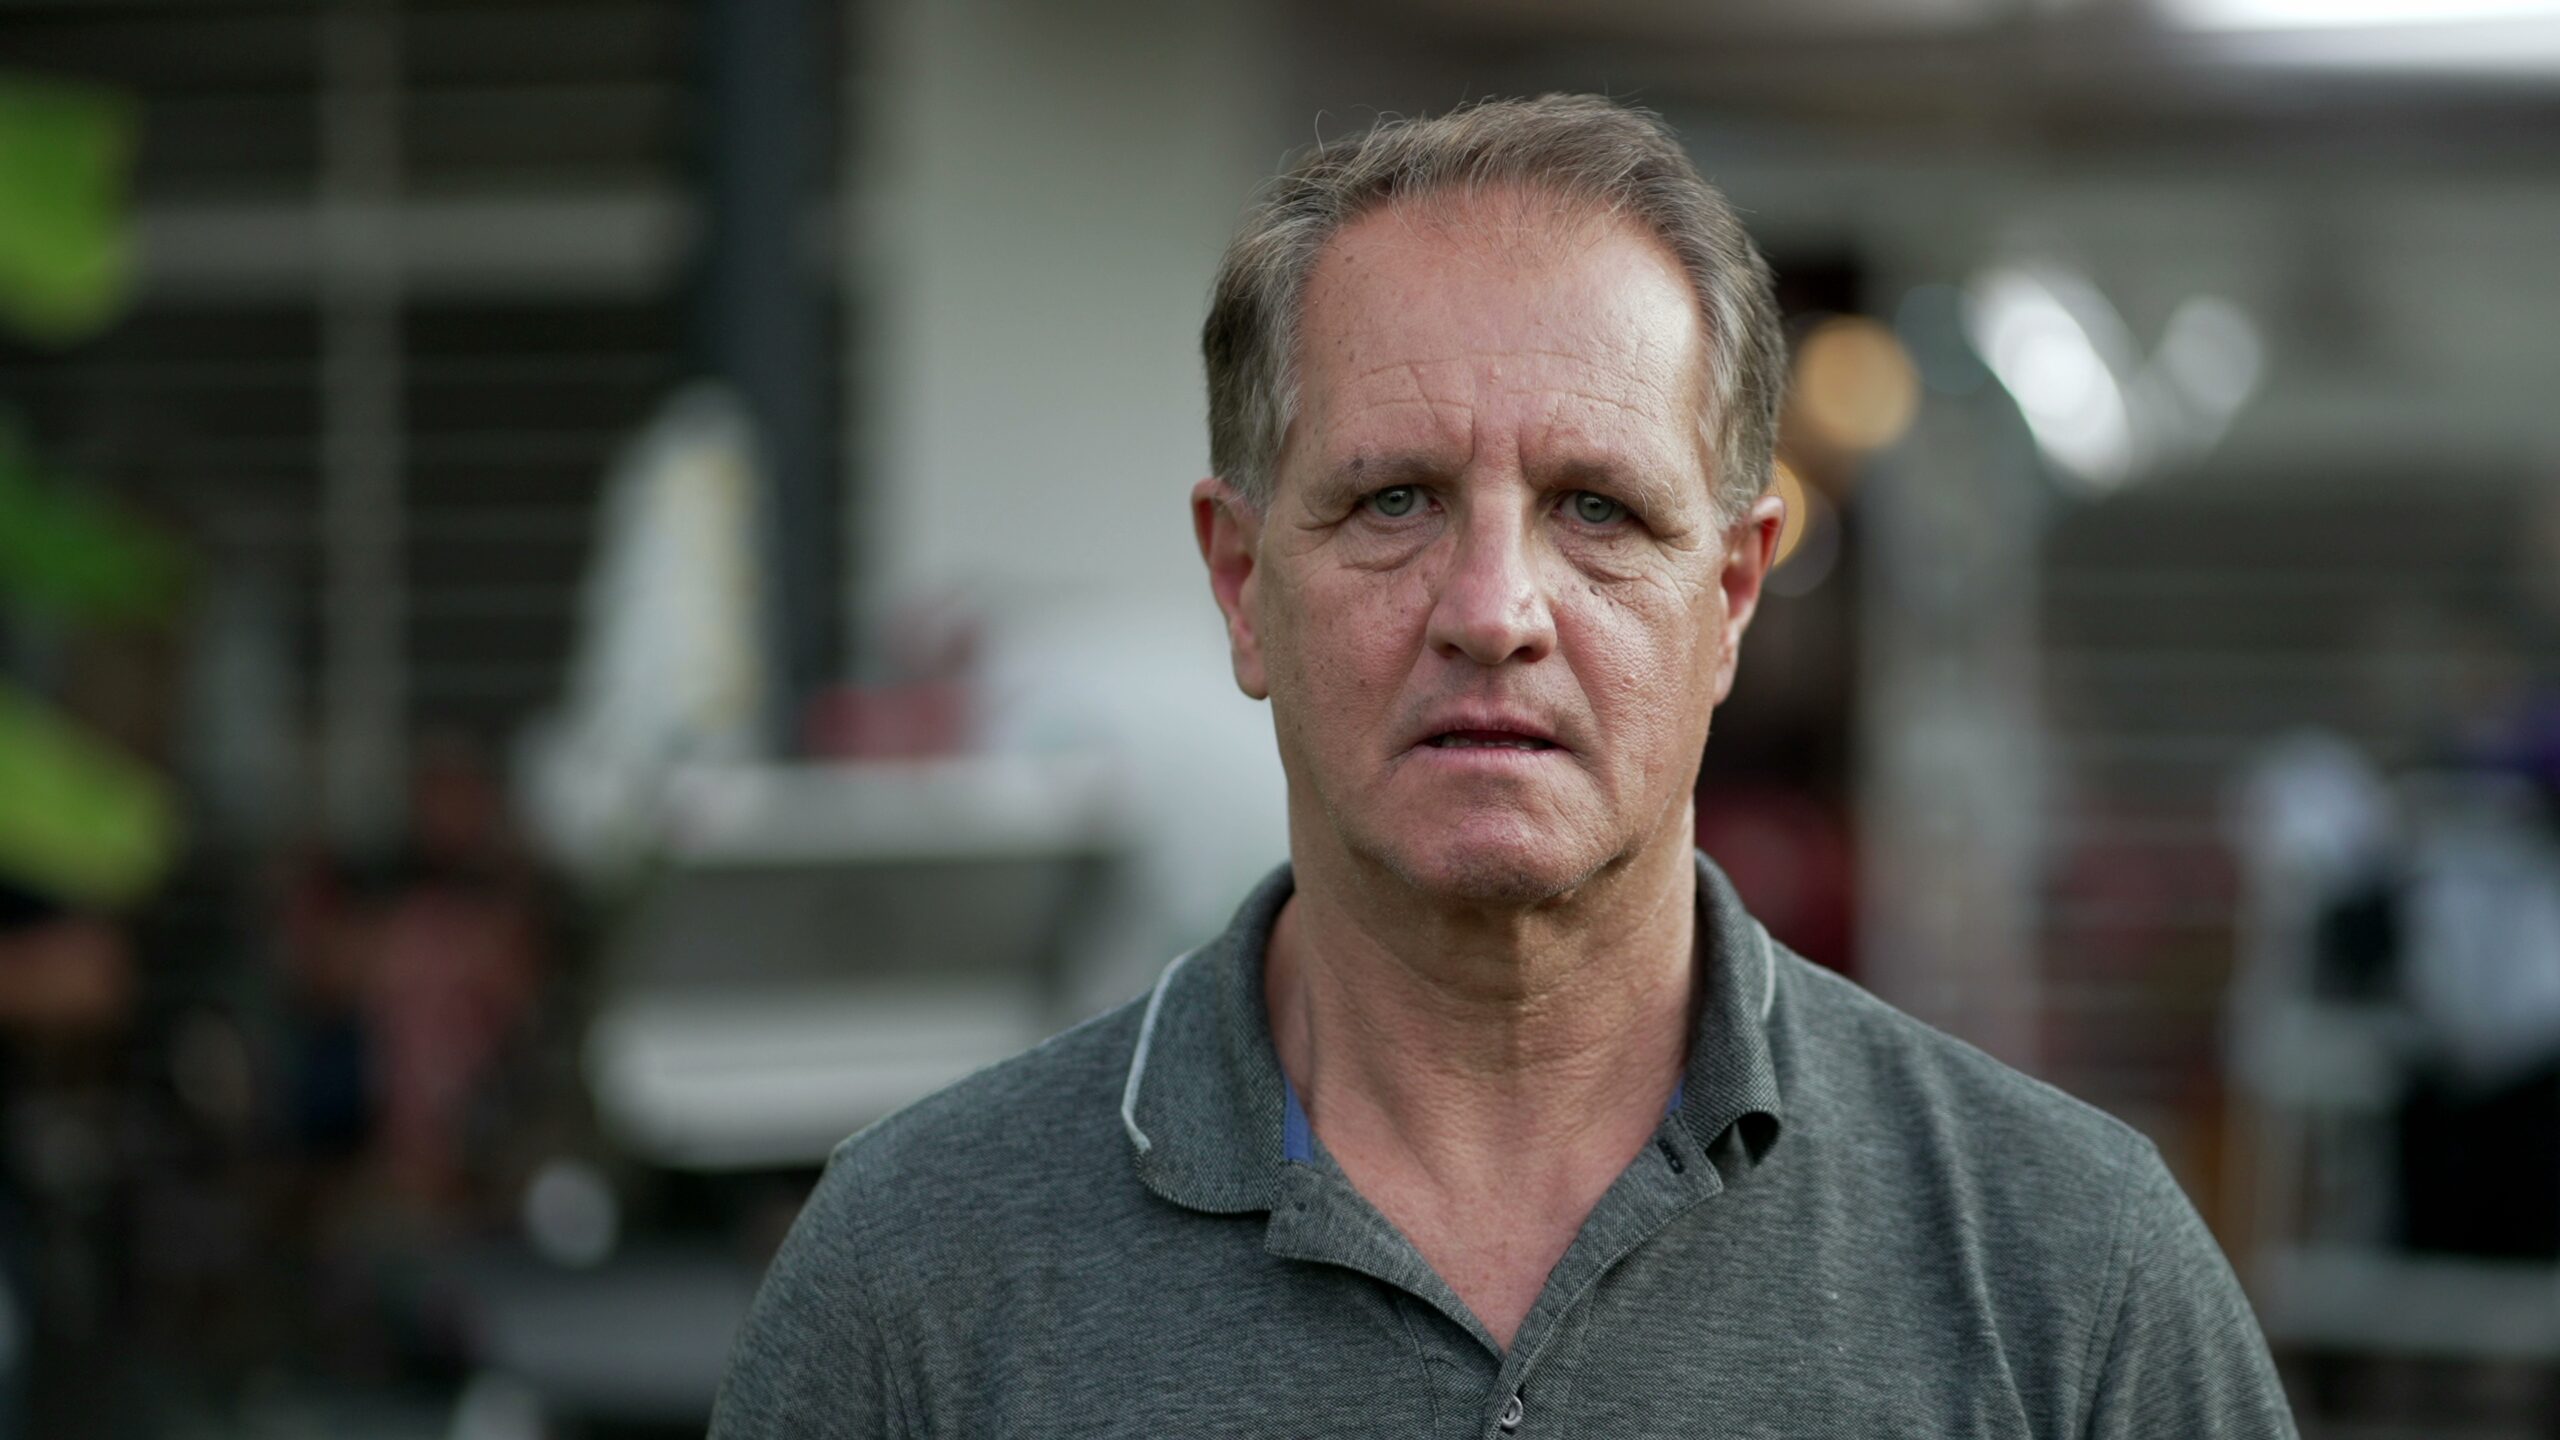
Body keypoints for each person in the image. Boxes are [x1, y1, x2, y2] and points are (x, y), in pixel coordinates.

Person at [710, 94, 2295, 1438]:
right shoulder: (912, 1288)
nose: (1492, 612)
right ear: (1239, 581)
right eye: (1393, 500)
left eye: (1598, 509)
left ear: (1731, 595)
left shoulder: (2070, 1281)